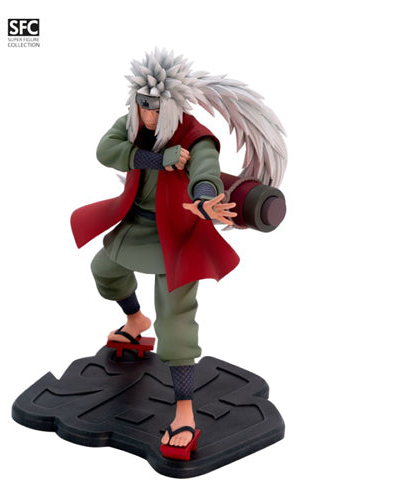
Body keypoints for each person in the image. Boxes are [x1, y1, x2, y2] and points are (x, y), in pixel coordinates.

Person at [71, 48, 287, 453]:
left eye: (154, 108)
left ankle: (184, 413)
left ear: (171, 105)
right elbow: (105, 150)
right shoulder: (134, 125)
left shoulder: (194, 136)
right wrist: (155, 158)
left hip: (177, 235)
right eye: (142, 105)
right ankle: (136, 320)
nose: (147, 115)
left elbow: (205, 170)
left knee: (175, 323)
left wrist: (204, 199)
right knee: (105, 270)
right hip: (136, 225)